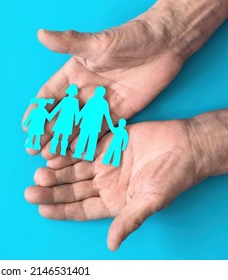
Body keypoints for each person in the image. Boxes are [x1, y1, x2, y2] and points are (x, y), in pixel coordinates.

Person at [22, 0, 228, 251]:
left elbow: (104, 121)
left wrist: (206, 145)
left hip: (86, 128)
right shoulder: (76, 106)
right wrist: (171, 28)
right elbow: (90, 117)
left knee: (80, 142)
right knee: (74, 141)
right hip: (83, 126)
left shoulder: (90, 109)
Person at [73, 86, 114, 161]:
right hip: (90, 124)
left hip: (90, 124)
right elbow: (84, 110)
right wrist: (77, 119)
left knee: (87, 139)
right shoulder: (101, 102)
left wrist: (112, 128)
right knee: (89, 140)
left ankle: (82, 153)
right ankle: (83, 153)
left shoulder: (97, 101)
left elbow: (107, 116)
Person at [48, 84, 80, 156]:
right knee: (58, 136)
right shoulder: (67, 100)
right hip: (63, 119)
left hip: (67, 120)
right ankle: (54, 148)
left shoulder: (74, 101)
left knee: (62, 136)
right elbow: (57, 108)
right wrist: (50, 116)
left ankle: (60, 149)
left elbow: (76, 112)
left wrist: (77, 121)